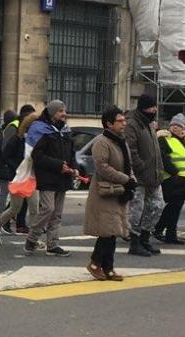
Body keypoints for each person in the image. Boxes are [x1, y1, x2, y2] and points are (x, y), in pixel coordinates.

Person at [85, 105, 134, 281]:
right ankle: (94, 263)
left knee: (113, 232)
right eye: (119, 121)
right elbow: (102, 167)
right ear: (108, 124)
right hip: (105, 191)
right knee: (107, 232)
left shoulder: (121, 141)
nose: (124, 124)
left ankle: (109, 268)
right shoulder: (101, 142)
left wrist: (131, 179)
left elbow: (128, 164)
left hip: (119, 190)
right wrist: (125, 179)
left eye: (124, 120)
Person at [26, 100, 78, 257]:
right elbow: (37, 155)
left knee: (57, 213)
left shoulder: (66, 131)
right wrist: (57, 165)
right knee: (48, 209)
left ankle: (53, 245)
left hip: (62, 178)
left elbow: (71, 152)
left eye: (64, 110)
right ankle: (32, 237)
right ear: (52, 113)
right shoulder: (41, 130)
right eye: (60, 111)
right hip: (48, 177)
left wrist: (73, 167)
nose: (64, 114)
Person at [0, 112, 40, 245]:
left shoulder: (37, 140)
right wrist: (16, 168)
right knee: (14, 209)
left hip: (32, 178)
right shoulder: (18, 138)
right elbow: (6, 155)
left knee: (34, 209)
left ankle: (33, 239)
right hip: (19, 178)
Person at [124, 94, 164, 257]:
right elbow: (131, 149)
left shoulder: (148, 123)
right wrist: (139, 166)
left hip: (154, 174)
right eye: (151, 107)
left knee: (156, 206)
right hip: (140, 176)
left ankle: (145, 238)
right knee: (137, 210)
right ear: (143, 107)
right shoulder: (133, 123)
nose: (154, 110)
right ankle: (135, 241)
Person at [153, 114, 185, 245]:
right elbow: (163, 158)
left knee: (176, 207)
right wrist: (174, 172)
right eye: (173, 125)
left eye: (178, 125)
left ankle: (169, 233)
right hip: (172, 179)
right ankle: (160, 229)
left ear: (183, 127)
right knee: (173, 206)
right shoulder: (165, 139)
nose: (175, 128)